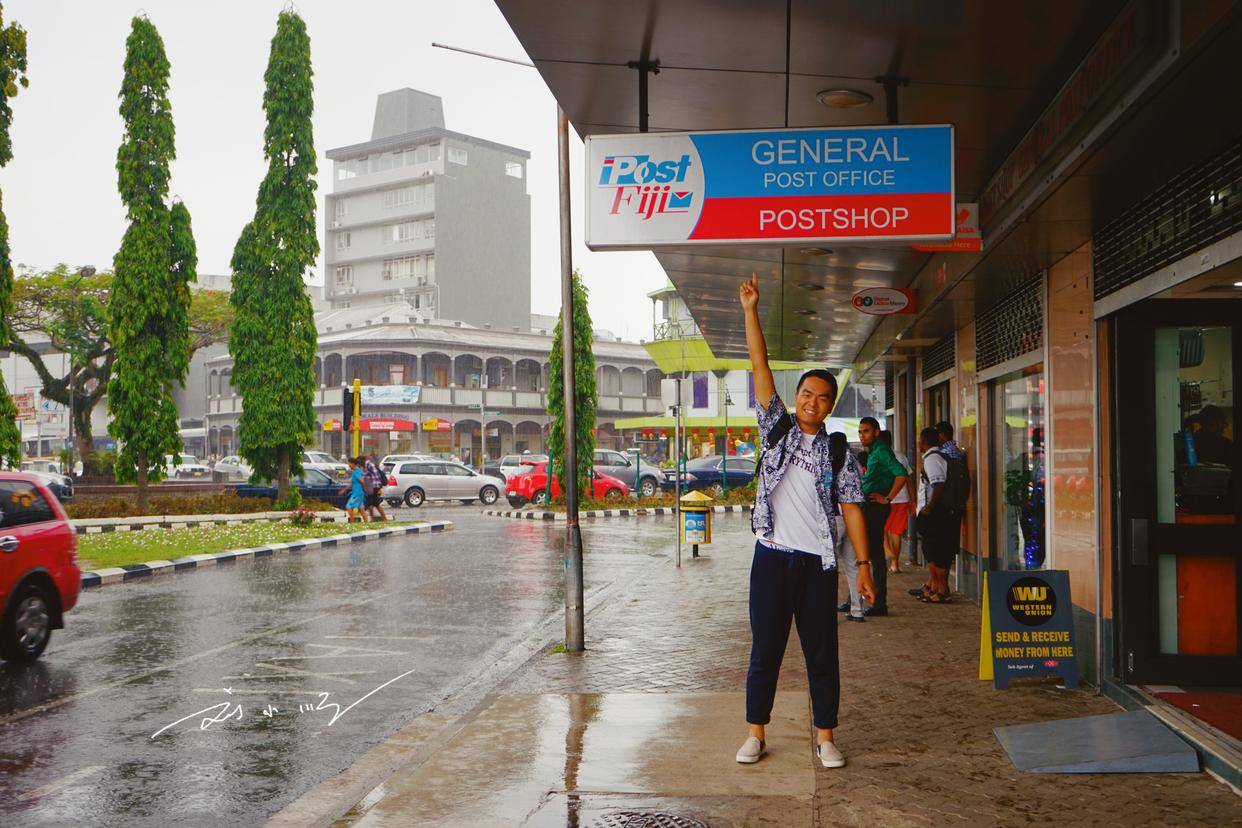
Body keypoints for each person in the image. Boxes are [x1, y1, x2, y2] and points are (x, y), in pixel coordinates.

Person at [734, 273, 874, 770]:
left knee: (822, 655)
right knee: (765, 651)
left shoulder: (839, 452)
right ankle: (756, 733)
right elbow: (759, 365)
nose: (810, 402)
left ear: (831, 406)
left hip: (817, 566)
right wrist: (751, 311)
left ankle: (826, 737)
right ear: (796, 398)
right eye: (805, 394)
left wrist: (864, 564)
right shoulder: (775, 427)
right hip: (770, 559)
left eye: (821, 398)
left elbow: (853, 507)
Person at [857, 417, 908, 616]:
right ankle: (869, 599)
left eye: (866, 431)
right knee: (870, 553)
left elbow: (902, 473)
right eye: (860, 432)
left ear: (876, 432)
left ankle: (879, 602)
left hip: (875, 508)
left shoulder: (881, 451)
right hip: (870, 506)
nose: (862, 435)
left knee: (874, 555)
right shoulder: (874, 451)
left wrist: (887, 498)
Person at [830, 432, 866, 623]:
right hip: (852, 518)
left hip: (832, 520)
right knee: (853, 567)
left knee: (829, 568)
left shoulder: (826, 458)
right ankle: (857, 610)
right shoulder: (852, 460)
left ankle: (826, 611)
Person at [916, 428, 954, 603]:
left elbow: (938, 485)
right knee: (933, 550)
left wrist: (928, 508)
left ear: (923, 441)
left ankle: (940, 589)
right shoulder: (937, 457)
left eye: (919, 440)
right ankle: (934, 586)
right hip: (937, 511)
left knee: (935, 551)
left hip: (934, 512)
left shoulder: (932, 459)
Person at [876, 430, 913, 573]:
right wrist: (912, 499)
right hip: (902, 499)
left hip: (884, 499)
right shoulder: (901, 456)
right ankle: (895, 564)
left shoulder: (878, 456)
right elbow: (908, 480)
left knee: (882, 529)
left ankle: (888, 553)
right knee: (896, 532)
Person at [341, 457, 368, 523]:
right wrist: (344, 490)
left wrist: (365, 489)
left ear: (353, 464)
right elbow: (352, 483)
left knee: (348, 507)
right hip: (358, 493)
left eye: (349, 464)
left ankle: (352, 523)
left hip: (357, 493)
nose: (349, 465)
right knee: (361, 509)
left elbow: (362, 481)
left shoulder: (356, 471)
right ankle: (367, 523)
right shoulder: (356, 471)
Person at [363, 452, 388, 522]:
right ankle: (383, 519)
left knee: (370, 503)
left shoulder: (368, 464)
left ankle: (373, 518)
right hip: (375, 486)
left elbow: (367, 476)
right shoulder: (371, 464)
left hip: (372, 487)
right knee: (375, 503)